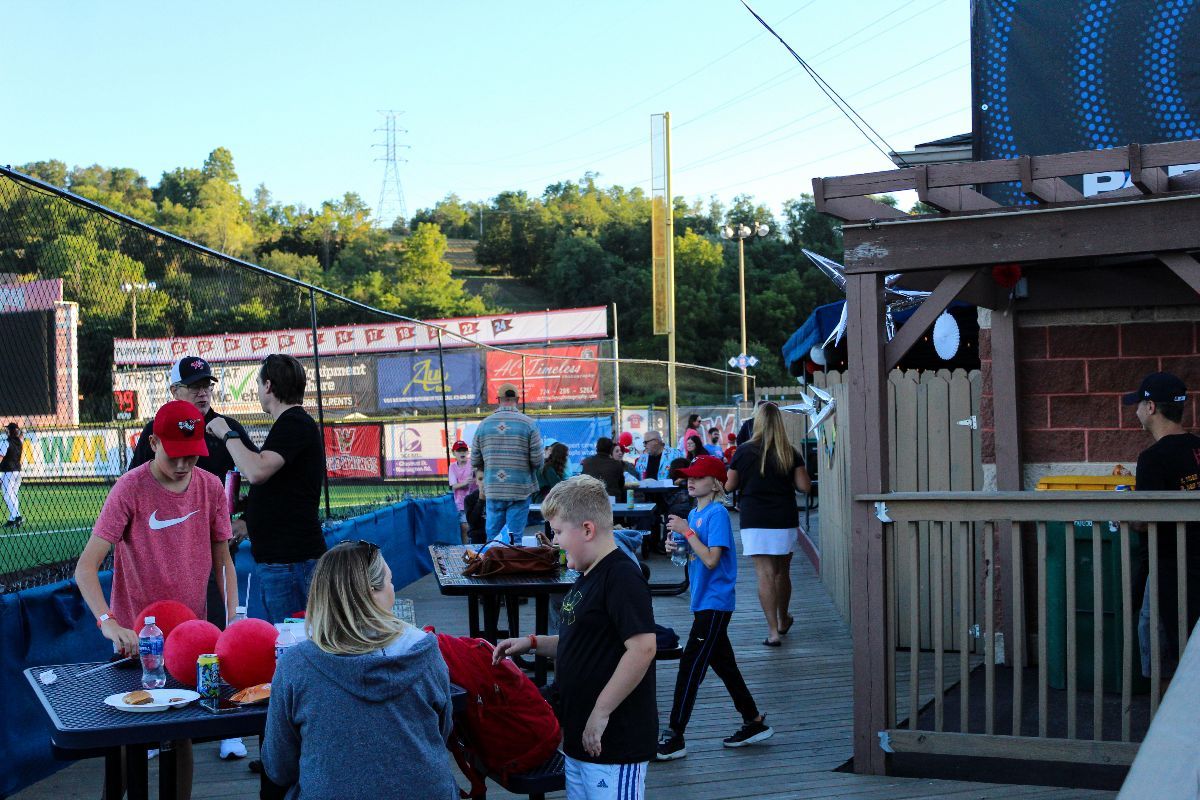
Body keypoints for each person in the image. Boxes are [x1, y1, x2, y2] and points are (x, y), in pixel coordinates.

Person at [75, 400, 237, 800]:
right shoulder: (129, 488)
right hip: (136, 642)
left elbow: (224, 563)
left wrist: (233, 620)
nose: (183, 465)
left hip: (188, 640)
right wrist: (108, 623)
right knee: (129, 736)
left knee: (181, 734)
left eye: (192, 455)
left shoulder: (211, 487)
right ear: (153, 443)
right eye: (174, 455)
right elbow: (85, 568)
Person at [493, 476, 657, 800]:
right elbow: (582, 641)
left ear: (587, 530)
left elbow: (643, 647)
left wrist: (601, 712)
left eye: (557, 532)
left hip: (614, 742)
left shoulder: (621, 576)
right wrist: (533, 643)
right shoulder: (586, 574)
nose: (555, 541)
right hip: (580, 738)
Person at [127, 356, 257, 759]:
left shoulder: (226, 429)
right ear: (174, 392)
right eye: (194, 385)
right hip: (166, 557)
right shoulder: (156, 431)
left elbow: (260, 476)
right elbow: (134, 488)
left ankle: (227, 726)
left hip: (213, 552)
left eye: (207, 385)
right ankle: (159, 727)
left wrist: (246, 520)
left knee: (220, 637)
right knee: (163, 639)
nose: (203, 392)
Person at [262, 540, 456, 800]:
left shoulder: (296, 665)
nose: (393, 589)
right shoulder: (424, 652)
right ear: (371, 593)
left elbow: (278, 767)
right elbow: (441, 731)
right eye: (390, 582)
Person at [657, 455, 773, 761]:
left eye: (698, 476)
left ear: (716, 483)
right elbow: (694, 555)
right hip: (702, 601)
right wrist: (676, 548)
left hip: (715, 603)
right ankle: (753, 721)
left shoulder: (717, 514)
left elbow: (711, 559)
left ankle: (675, 735)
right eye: (689, 476)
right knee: (725, 665)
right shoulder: (695, 513)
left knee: (690, 667)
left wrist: (687, 533)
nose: (691, 481)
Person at [207, 354, 326, 624]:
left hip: (292, 563)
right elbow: (284, 493)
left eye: (259, 384)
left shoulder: (294, 422)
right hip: (285, 562)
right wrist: (249, 515)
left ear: (269, 385)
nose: (260, 390)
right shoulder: (290, 424)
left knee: (295, 639)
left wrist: (227, 432)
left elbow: (256, 471)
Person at [1126, 372, 1200, 666]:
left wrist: (1124, 517)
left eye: (1138, 405)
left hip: (1169, 571)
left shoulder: (1152, 458)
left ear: (1151, 407)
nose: (1136, 412)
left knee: (1165, 655)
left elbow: (1145, 521)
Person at [726, 402, 811, 646]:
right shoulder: (790, 451)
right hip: (783, 517)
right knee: (782, 572)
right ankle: (783, 620)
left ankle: (773, 632)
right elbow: (804, 487)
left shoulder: (743, 451)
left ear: (757, 422)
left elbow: (730, 485)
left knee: (764, 574)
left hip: (754, 518)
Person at [471, 382, 543, 542]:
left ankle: (494, 557)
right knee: (514, 539)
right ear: (517, 399)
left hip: (493, 489)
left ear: (498, 400)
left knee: (493, 539)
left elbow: (475, 459)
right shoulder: (529, 424)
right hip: (520, 489)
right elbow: (537, 461)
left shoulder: (484, 425)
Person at [448, 440, 475, 544]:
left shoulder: (473, 463)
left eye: (464, 450)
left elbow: (481, 476)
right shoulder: (452, 467)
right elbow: (453, 486)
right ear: (454, 453)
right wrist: (465, 483)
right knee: (464, 527)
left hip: (475, 501)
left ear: (467, 452)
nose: (462, 453)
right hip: (461, 503)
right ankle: (466, 549)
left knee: (477, 526)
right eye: (459, 451)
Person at [1, 422, 23, 528]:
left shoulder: (6, 442)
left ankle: (17, 517)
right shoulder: (19, 442)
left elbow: (0, 457)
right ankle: (12, 519)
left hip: (8, 472)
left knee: (7, 495)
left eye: (8, 429)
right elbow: (21, 435)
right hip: (18, 472)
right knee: (13, 495)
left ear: (9, 431)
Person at [464, 468, 488, 545]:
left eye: (486, 478)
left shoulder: (497, 498)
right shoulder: (469, 498)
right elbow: (472, 522)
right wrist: (481, 500)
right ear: (476, 481)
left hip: (494, 536)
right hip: (477, 538)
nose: (484, 482)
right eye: (480, 479)